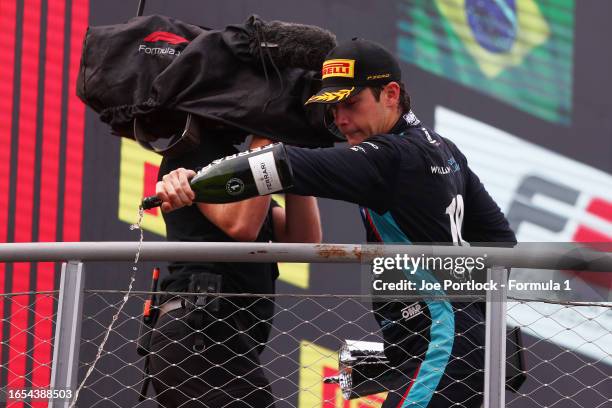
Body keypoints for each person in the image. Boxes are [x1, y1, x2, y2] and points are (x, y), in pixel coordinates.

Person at [156, 39, 517, 408]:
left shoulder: (389, 157)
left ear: (390, 94)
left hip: (440, 345)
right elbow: (501, 242)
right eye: (333, 107)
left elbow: (287, 165)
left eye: (351, 103)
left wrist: (193, 184)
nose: (340, 119)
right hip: (456, 341)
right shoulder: (443, 148)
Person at [149, 134, 322, 408]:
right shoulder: (192, 153)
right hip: (199, 330)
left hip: (226, 337)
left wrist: (292, 160)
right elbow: (241, 226)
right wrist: (265, 142)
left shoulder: (243, 176)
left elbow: (304, 240)